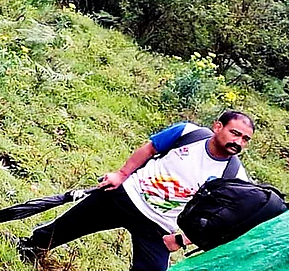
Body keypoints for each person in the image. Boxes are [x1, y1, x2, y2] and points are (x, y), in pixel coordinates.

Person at [18, 111, 255, 271]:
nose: (239, 142)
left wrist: (182, 240)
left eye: (245, 139)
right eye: (235, 133)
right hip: (126, 196)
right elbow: (150, 148)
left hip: (159, 226)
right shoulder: (188, 133)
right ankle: (31, 249)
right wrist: (121, 174)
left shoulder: (235, 176)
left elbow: (227, 220)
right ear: (218, 126)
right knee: (64, 227)